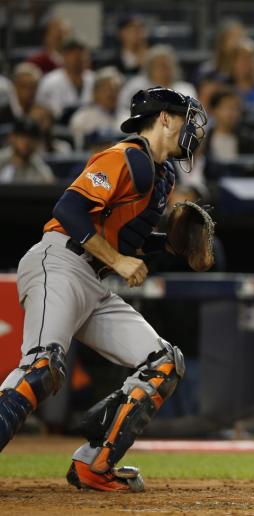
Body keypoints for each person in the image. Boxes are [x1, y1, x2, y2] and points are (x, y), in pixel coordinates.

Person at [0, 86, 208, 492]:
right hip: (58, 263)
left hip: (93, 281)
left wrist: (168, 243)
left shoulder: (159, 172)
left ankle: (94, 465)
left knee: (163, 363)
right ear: (164, 118)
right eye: (185, 118)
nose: (191, 129)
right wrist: (118, 261)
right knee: (42, 368)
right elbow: (69, 210)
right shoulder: (126, 156)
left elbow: (124, 239)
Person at [34, 37, 95, 123]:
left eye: (81, 55)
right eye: (74, 55)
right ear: (64, 56)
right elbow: (40, 109)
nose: (78, 59)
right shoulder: (49, 81)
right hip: (57, 127)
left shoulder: (94, 79)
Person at [69, 67, 123, 150]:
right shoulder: (81, 117)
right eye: (106, 88)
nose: (111, 93)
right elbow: (80, 149)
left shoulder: (128, 116)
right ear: (95, 92)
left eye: (115, 89)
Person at [0, 117, 55, 184]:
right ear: (12, 137)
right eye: (22, 136)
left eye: (31, 138)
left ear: (37, 142)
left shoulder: (41, 169)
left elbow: (49, 188)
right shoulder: (1, 159)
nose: (26, 142)